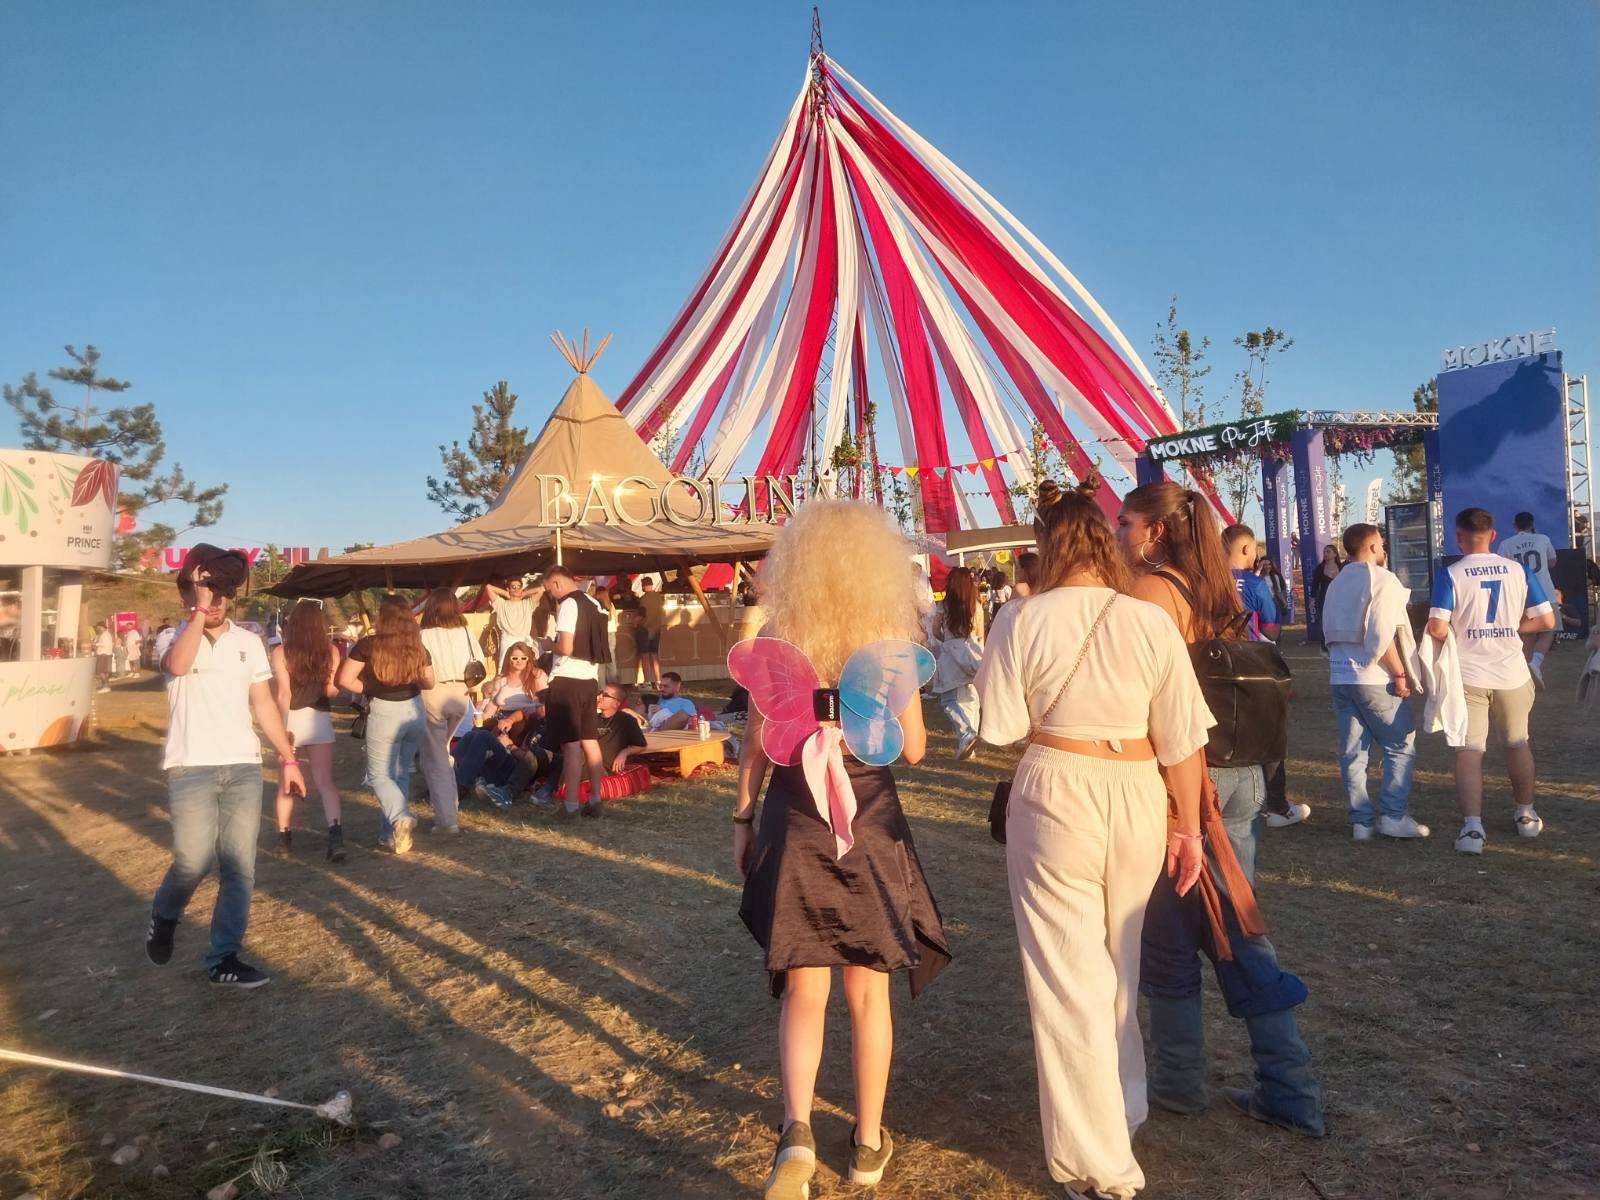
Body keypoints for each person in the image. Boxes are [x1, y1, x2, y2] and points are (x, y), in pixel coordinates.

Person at [976, 481, 1209, 1200]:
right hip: (1139, 787)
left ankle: (1098, 1164)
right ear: (1103, 544)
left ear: (1047, 546)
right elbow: (1184, 742)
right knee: (1118, 965)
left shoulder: (1020, 618)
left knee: (1067, 977)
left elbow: (999, 727)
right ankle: (1122, 1109)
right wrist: (1190, 828)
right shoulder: (1148, 621)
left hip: (1055, 784)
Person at [733, 501, 948, 1199]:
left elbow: (758, 749)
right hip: (868, 818)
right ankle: (866, 1141)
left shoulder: (781, 631)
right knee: (868, 987)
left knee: (804, 982)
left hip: (794, 814)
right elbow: (912, 747)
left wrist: (742, 821)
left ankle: (795, 1133)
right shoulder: (890, 636)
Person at [1118, 480, 1325, 1142]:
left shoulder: (1153, 594)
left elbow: (1140, 697)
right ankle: (1183, 1083)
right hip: (1238, 776)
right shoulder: (1215, 588)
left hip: (1188, 780)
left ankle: (1286, 1088)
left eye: (1126, 521)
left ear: (1154, 531)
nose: (1118, 531)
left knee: (1233, 933)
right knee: (1196, 925)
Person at [144, 545, 303, 989]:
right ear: (187, 599)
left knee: (239, 868)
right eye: (205, 593)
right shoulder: (172, 638)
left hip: (243, 768)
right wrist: (198, 610)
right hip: (190, 767)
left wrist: (287, 758)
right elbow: (178, 664)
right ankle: (165, 912)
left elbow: (264, 705)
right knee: (193, 862)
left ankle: (223, 959)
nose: (215, 602)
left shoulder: (249, 643)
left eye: (221, 594)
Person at [1426, 507, 1557, 854]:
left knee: (1470, 751)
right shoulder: (1517, 569)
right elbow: (1545, 620)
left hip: (1468, 674)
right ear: (1493, 536)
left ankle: (1472, 829)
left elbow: (1437, 627)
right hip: (1511, 671)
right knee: (1518, 742)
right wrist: (1514, 628)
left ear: (1458, 537)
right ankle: (1526, 815)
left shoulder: (1451, 574)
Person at [1321, 523, 1423, 840]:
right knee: (1399, 745)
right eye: (1380, 544)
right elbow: (1381, 634)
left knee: (1353, 751)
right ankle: (1393, 815)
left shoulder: (1336, 582)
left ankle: (1361, 822)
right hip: (1375, 676)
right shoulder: (1383, 579)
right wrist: (1400, 673)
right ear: (1371, 548)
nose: (1384, 550)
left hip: (1340, 675)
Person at [1222, 524, 1306, 831]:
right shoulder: (1255, 586)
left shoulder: (1205, 581)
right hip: (1253, 668)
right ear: (1246, 550)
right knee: (1269, 738)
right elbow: (1271, 628)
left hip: (1214, 671)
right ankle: (1276, 807)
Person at [337, 597, 435, 854]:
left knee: (377, 775)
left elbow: (344, 680)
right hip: (414, 709)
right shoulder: (417, 648)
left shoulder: (369, 646)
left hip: (384, 710)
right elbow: (430, 682)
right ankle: (391, 836)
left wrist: (369, 687)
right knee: (399, 774)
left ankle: (399, 817)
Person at [271, 599, 345, 859]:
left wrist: (280, 729)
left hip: (290, 719)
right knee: (325, 782)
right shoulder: (331, 651)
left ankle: (284, 840)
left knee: (284, 785)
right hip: (319, 718)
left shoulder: (281, 652)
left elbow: (283, 694)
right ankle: (336, 837)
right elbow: (329, 690)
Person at [544, 565, 613, 817]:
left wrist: (547, 644)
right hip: (589, 679)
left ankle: (570, 805)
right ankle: (595, 799)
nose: (552, 595)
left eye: (550, 590)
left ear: (557, 584)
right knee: (590, 741)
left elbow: (566, 646)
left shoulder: (568, 605)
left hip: (567, 680)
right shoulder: (595, 604)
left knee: (571, 746)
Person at [417, 589, 480, 835]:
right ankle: (448, 809)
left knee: (435, 759)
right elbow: (479, 661)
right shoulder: (465, 632)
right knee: (442, 752)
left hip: (434, 691)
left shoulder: (423, 634)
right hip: (461, 693)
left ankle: (446, 820)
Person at [537, 681, 650, 804]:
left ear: (616, 703)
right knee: (541, 754)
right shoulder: (593, 718)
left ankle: (547, 790)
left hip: (600, 767)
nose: (600, 697)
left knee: (577, 757)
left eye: (606, 695)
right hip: (579, 759)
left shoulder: (625, 720)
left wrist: (624, 752)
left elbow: (641, 745)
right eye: (601, 693)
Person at [928, 565, 985, 760]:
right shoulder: (975, 605)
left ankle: (967, 734)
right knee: (971, 699)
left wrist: (947, 642)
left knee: (949, 700)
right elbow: (980, 633)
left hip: (951, 654)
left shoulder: (944, 606)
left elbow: (935, 630)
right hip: (973, 652)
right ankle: (969, 744)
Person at [1498, 512, 1558, 688]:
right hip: (1544, 592)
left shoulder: (1505, 544)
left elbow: (1502, 567)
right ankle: (1535, 664)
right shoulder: (1543, 539)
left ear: (1514, 525)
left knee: (1526, 634)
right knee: (1549, 630)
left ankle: (1523, 671)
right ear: (1532, 523)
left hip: (1520, 594)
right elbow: (1553, 561)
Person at [481, 641, 548, 724]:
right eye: (515, 658)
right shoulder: (501, 679)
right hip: (501, 719)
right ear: (509, 659)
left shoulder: (537, 675)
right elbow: (493, 705)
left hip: (526, 720)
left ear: (528, 659)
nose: (519, 661)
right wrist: (482, 719)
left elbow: (543, 705)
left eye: (523, 658)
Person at [484, 576, 535, 668]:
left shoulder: (528, 603)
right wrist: (506, 594)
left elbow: (541, 589)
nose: (516, 589)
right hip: (507, 641)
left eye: (519, 587)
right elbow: (488, 587)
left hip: (524, 641)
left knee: (526, 670)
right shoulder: (501, 604)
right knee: (504, 670)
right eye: (513, 587)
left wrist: (523, 593)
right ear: (508, 589)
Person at [1308, 543, 1343, 645]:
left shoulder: (1342, 567)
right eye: (1324, 552)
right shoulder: (1320, 568)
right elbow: (1314, 586)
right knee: (1325, 623)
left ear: (1335, 554)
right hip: (1324, 599)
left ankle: (1339, 643)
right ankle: (1325, 645)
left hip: (1339, 600)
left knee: (1338, 621)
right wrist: (1312, 600)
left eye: (1328, 552)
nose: (1325, 554)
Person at [636, 576, 666, 689]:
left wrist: (635, 622)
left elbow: (642, 614)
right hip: (657, 628)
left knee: (645, 656)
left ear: (644, 585)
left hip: (645, 629)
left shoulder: (644, 598)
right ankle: (658, 682)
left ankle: (647, 682)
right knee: (654, 655)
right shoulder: (659, 597)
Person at [92, 621, 114, 691]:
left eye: (98, 627)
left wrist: (95, 644)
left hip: (103, 654)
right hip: (106, 654)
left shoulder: (105, 635)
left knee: (101, 671)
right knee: (105, 671)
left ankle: (106, 686)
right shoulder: (106, 634)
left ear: (101, 627)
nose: (97, 629)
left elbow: (104, 644)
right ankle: (104, 685)